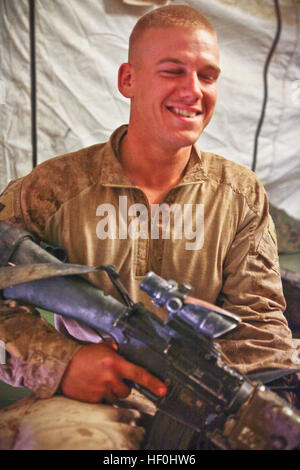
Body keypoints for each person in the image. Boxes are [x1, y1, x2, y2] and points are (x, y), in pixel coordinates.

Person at [0, 5, 299, 450]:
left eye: (208, 75)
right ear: (128, 80)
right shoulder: (56, 187)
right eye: (173, 71)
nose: (193, 90)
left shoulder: (238, 193)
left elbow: (259, 324)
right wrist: (63, 362)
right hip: (97, 398)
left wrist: (266, 401)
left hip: (208, 393)